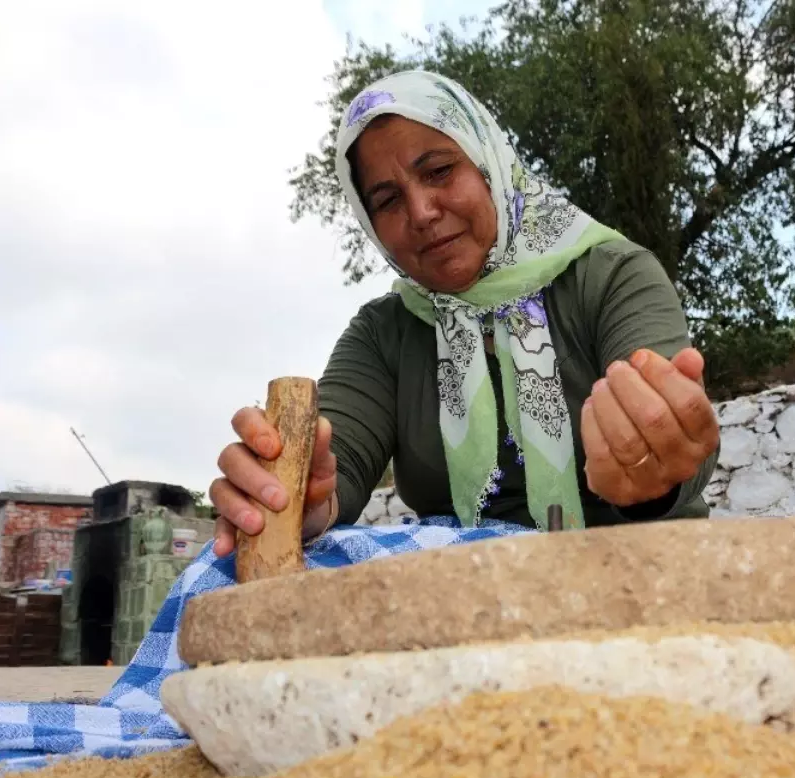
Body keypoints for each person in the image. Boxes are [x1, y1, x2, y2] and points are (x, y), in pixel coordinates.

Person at [208, 70, 721, 557]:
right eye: (387, 200)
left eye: (438, 171)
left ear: (488, 163)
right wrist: (291, 494)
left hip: (642, 578)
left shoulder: (610, 276)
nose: (421, 213)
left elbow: (677, 444)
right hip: (462, 599)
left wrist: (653, 467)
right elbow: (333, 470)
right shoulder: (383, 333)